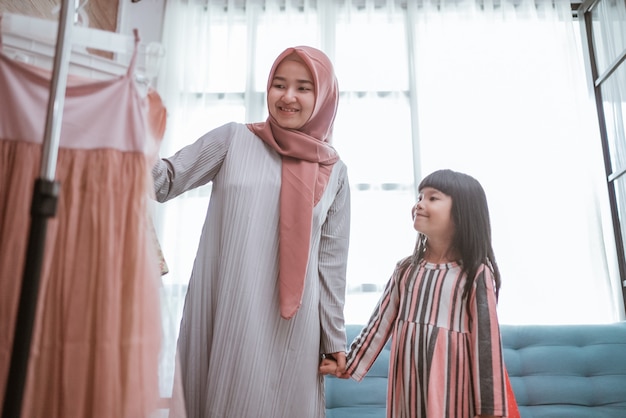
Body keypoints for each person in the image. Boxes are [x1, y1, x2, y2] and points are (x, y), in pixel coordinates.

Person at [152, 46, 350, 418]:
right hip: (229, 303)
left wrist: (334, 339)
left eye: (304, 88)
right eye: (279, 84)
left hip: (293, 326)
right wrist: (127, 141)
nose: (287, 96)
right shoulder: (233, 140)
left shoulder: (335, 170)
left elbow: (331, 264)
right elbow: (164, 182)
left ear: (323, 96)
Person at [321, 169, 515, 418]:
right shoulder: (406, 270)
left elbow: (486, 346)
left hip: (454, 396)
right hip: (408, 390)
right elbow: (379, 325)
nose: (420, 205)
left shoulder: (475, 275)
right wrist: (347, 363)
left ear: (462, 212)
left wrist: (489, 410)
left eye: (433, 198)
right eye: (419, 197)